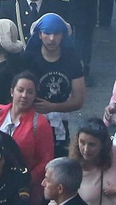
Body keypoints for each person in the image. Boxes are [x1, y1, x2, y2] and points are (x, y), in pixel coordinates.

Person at [26, 12, 86, 152]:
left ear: (63, 36)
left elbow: (78, 100)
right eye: (47, 33)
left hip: (59, 125)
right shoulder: (28, 59)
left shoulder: (72, 60)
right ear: (40, 35)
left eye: (56, 34)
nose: (52, 39)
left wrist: (52, 107)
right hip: (30, 121)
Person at [0, 71, 56, 205]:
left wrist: (26, 178)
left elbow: (47, 159)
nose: (24, 95)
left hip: (23, 191)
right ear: (12, 91)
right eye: (20, 90)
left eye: (30, 92)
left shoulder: (40, 123)